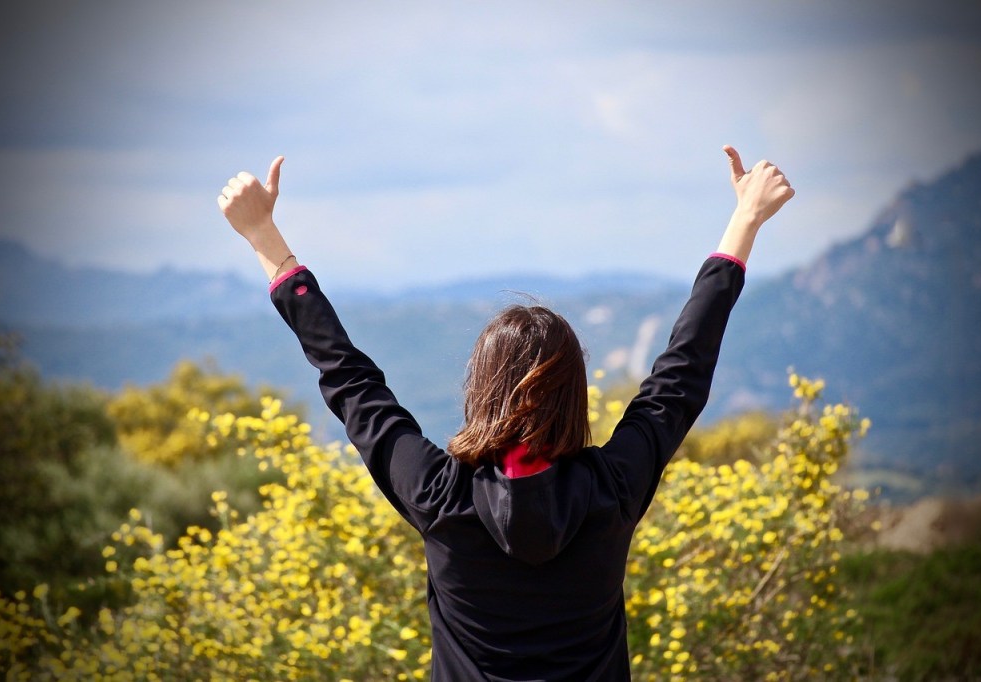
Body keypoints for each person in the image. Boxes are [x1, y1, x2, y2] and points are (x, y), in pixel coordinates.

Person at [218, 146, 793, 681]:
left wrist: (264, 235)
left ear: (480, 388)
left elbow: (348, 378)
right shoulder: (611, 488)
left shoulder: (438, 493)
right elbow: (682, 374)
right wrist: (744, 223)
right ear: (575, 393)